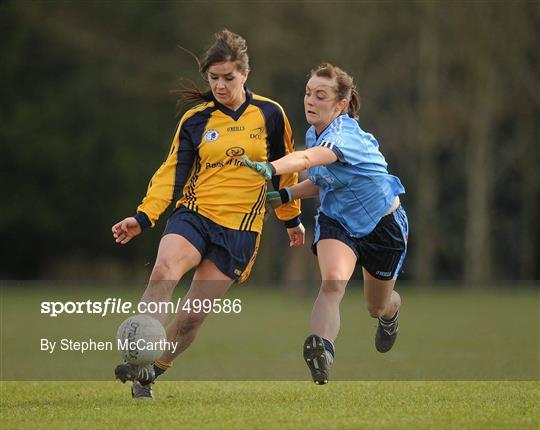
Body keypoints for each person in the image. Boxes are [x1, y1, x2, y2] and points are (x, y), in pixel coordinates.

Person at [112, 29, 304, 399]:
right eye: (213, 78)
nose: (219, 85)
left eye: (227, 78)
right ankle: (138, 354)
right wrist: (144, 216)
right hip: (194, 215)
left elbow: (287, 168)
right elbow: (171, 172)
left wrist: (290, 217)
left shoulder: (271, 114)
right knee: (164, 270)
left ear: (245, 74)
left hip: (240, 230)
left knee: (192, 316)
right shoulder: (195, 121)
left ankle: (149, 374)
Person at [244, 63, 408, 385]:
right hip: (338, 221)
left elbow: (304, 161)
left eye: (321, 96)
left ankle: (390, 314)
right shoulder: (314, 132)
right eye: (308, 93)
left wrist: (270, 168)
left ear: (340, 104)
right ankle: (324, 350)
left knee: (377, 306)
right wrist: (287, 194)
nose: (310, 101)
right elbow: (325, 181)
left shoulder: (344, 136)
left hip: (384, 226)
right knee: (333, 281)